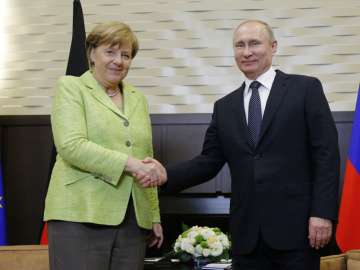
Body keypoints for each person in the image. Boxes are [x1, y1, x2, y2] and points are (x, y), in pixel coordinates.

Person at [140, 20, 340, 270]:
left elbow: (326, 155)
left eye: (254, 43)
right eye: (239, 45)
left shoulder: (305, 89)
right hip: (247, 238)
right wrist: (165, 174)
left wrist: (322, 213)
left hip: (298, 232)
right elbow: (208, 162)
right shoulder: (225, 107)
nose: (247, 52)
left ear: (273, 46)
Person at [43, 21, 166, 270]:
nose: (118, 61)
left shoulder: (137, 98)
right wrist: (130, 164)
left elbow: (146, 159)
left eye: (126, 55)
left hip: (133, 220)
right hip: (79, 214)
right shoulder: (71, 87)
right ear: (91, 53)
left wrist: (153, 215)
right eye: (110, 52)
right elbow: (71, 146)